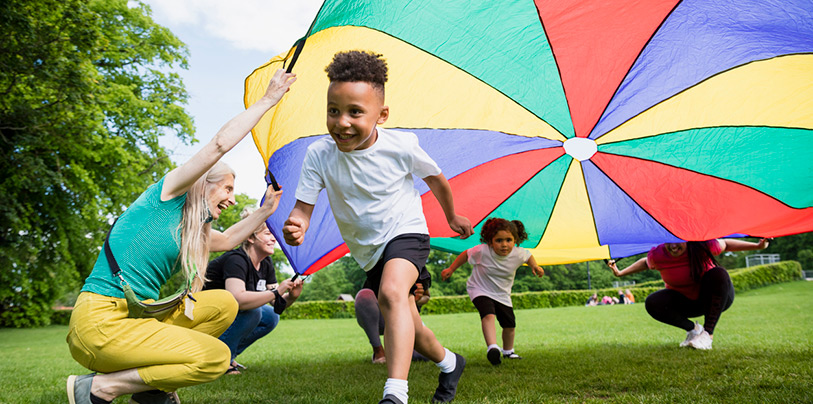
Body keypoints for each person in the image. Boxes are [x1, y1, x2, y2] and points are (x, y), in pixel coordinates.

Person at [65, 69, 296, 404]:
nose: (232, 198)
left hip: (136, 318)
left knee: (222, 304)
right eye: (227, 188)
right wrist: (268, 100)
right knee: (215, 358)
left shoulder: (191, 230)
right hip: (99, 324)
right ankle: (101, 388)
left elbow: (230, 240)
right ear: (204, 183)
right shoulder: (167, 196)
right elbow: (219, 144)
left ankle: (151, 390)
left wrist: (265, 211)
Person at [282, 50, 473, 404]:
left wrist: (451, 216)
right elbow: (302, 209)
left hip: (406, 232)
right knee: (413, 329)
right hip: (368, 251)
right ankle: (450, 363)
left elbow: (437, 179)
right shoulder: (319, 155)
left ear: (381, 115)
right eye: (333, 111)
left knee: (391, 294)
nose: (342, 122)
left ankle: (395, 393)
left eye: (356, 112)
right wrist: (297, 225)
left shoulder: (401, 146)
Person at [607, 238, 770, 350]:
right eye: (668, 242)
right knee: (652, 302)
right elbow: (645, 262)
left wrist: (758, 246)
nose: (673, 246)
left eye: (678, 241)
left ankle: (708, 335)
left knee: (719, 273)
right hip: (686, 302)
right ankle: (694, 330)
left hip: (714, 299)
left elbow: (726, 244)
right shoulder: (659, 254)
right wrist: (620, 273)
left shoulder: (703, 245)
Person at [204, 207, 304, 375]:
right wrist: (277, 292)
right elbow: (238, 299)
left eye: (274, 234)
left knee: (271, 316)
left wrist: (291, 296)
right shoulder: (236, 260)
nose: (274, 239)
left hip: (228, 314)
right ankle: (217, 360)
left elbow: (276, 304)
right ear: (250, 237)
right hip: (205, 313)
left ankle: (228, 355)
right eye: (268, 234)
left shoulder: (266, 263)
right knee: (253, 311)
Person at [440, 218, 544, 366]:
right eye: (499, 240)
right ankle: (492, 348)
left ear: (515, 240)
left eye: (509, 240)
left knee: (509, 325)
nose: (504, 244)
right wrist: (451, 269)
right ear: (490, 241)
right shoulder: (482, 251)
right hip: (479, 289)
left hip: (502, 294)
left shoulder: (518, 253)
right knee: (488, 314)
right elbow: (465, 254)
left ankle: (508, 351)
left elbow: (528, 256)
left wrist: (535, 266)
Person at [355, 281, 431, 364]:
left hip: (406, 318)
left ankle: (398, 349)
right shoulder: (376, 271)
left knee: (425, 354)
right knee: (364, 295)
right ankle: (378, 351)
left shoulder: (419, 271)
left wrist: (415, 299)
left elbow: (426, 296)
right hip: (382, 317)